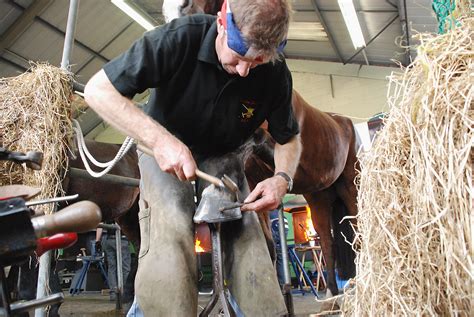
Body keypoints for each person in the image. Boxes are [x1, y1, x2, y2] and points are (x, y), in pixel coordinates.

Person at [84, 0, 302, 315]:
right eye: (239, 57)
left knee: (248, 239)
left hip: (224, 157)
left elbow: (288, 137)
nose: (243, 71)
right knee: (171, 226)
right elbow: (97, 91)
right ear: (223, 21)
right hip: (164, 150)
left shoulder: (275, 73)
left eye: (255, 63)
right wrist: (160, 141)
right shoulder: (178, 39)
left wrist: (281, 179)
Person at [95, 223, 131, 301]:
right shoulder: (122, 212)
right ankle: (125, 293)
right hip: (122, 239)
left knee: (112, 267)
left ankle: (113, 294)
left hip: (109, 240)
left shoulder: (109, 212)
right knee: (125, 267)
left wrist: (97, 241)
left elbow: (100, 225)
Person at [270, 208, 290, 286]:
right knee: (281, 259)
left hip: (273, 226)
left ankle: (274, 287)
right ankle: (283, 287)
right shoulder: (276, 209)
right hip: (283, 225)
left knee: (271, 259)